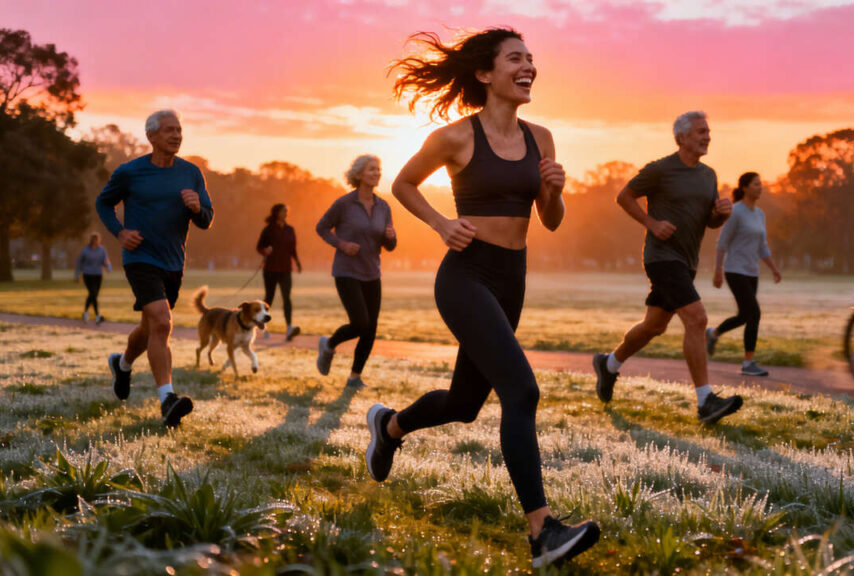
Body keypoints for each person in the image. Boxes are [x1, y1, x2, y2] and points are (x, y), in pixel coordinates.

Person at [362, 28, 599, 568]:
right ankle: (543, 534)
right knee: (521, 390)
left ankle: (389, 426)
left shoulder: (542, 138)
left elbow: (551, 222)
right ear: (486, 74)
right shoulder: (456, 138)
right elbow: (403, 184)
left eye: (532, 59)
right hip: (465, 277)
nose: (529, 66)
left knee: (465, 405)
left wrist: (555, 190)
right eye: (516, 58)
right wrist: (441, 223)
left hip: (511, 277)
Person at [592, 111, 743, 423]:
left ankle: (608, 365)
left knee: (654, 327)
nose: (707, 136)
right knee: (697, 319)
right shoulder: (661, 169)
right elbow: (625, 196)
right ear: (682, 138)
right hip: (661, 258)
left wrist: (722, 214)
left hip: (686, 262)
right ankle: (705, 402)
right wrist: (651, 223)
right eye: (701, 131)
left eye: (708, 131)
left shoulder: (708, 175)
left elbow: (709, 221)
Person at [96, 109, 213, 427]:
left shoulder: (191, 173)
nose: (176, 135)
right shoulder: (130, 172)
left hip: (173, 262)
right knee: (163, 323)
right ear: (151, 136)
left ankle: (122, 364)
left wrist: (196, 207)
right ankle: (167, 400)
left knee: (150, 329)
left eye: (179, 130)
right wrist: (120, 231)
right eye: (169, 130)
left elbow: (206, 219)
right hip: (140, 259)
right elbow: (103, 203)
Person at [315, 155, 396, 388]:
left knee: (370, 329)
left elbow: (389, 245)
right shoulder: (344, 204)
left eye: (378, 169)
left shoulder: (384, 206)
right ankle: (329, 345)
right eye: (371, 169)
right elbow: (322, 227)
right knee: (360, 323)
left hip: (372, 273)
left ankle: (354, 377)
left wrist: (391, 237)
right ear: (359, 174)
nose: (376, 173)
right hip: (347, 272)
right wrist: (342, 244)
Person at [707, 172, 782, 376]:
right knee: (754, 313)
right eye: (757, 184)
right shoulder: (736, 212)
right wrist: (717, 270)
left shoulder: (759, 214)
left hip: (752, 272)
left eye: (761, 184)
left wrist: (774, 269)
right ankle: (749, 364)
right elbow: (722, 243)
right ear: (746, 187)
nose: (761, 187)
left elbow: (762, 247)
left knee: (744, 316)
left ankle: (713, 333)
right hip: (734, 270)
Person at [256, 203, 302, 341]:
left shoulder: (290, 230)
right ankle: (262, 325)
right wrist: (265, 250)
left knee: (287, 298)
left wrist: (298, 263)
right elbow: (259, 247)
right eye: (283, 211)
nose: (286, 213)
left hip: (285, 269)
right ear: (276, 213)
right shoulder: (268, 230)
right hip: (270, 269)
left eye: (286, 211)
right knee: (269, 298)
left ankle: (289, 328)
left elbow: (293, 249)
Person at [75, 232, 112, 324]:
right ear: (91, 240)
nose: (96, 241)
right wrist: (77, 274)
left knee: (94, 295)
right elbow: (80, 262)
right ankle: (97, 316)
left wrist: (108, 266)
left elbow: (104, 260)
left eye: (97, 239)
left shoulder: (102, 250)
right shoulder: (86, 250)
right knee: (93, 293)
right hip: (87, 274)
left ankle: (86, 313)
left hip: (98, 275)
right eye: (94, 239)